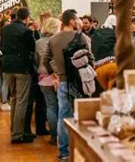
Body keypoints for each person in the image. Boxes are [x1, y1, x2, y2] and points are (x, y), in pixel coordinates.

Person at [42, 9, 91, 161]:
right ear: (71, 21)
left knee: (63, 115)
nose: (79, 22)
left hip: (63, 82)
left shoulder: (54, 39)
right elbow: (90, 58)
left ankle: (64, 152)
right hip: (81, 82)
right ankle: (80, 151)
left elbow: (45, 60)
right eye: (77, 20)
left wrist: (54, 75)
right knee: (82, 116)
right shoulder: (82, 37)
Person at [0, 7, 37, 144]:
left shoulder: (5, 29)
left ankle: (14, 129)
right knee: (22, 100)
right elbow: (32, 48)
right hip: (22, 68)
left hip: (7, 67)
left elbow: (0, 46)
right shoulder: (26, 31)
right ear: (26, 18)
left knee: (13, 98)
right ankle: (17, 133)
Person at [35, 17, 61, 145]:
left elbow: (36, 60)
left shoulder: (38, 42)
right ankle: (62, 136)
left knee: (50, 107)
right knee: (62, 106)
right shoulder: (58, 41)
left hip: (43, 77)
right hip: (58, 77)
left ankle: (53, 135)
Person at [91, 14, 117, 90]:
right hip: (112, 65)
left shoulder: (96, 33)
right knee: (113, 94)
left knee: (104, 94)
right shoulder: (115, 33)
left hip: (97, 69)